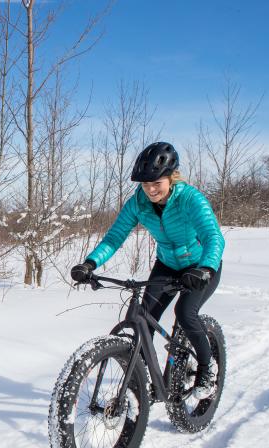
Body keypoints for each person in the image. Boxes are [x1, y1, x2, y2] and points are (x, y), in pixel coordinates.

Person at [70, 142, 224, 399]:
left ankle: (207, 369)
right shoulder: (138, 203)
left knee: (185, 314)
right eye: (145, 184)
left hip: (201, 266)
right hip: (167, 264)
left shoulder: (189, 198)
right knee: (143, 318)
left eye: (157, 183)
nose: (151, 190)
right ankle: (139, 387)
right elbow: (115, 236)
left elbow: (213, 236)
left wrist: (206, 267)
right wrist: (90, 263)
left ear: (171, 177)